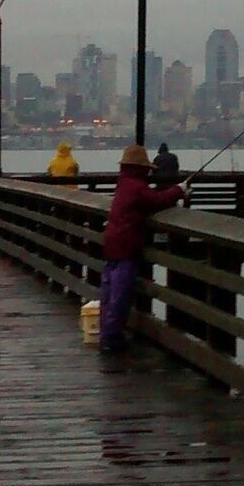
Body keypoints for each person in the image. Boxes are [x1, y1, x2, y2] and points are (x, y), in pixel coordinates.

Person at [99, 144, 187, 351]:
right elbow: (157, 200)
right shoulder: (136, 187)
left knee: (109, 293)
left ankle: (107, 333)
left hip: (112, 243)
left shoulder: (124, 184)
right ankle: (111, 338)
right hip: (126, 246)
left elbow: (146, 201)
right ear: (141, 168)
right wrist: (179, 190)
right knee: (120, 294)